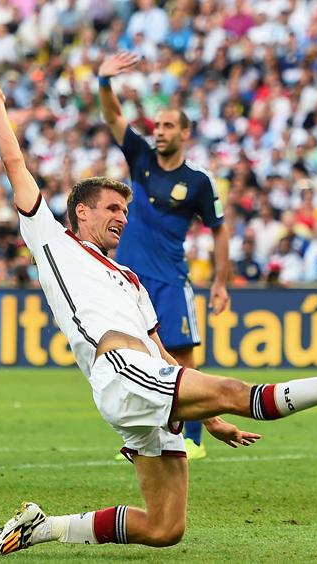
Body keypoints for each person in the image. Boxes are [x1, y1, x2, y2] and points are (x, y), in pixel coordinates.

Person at [0, 72, 317, 557]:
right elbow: (14, 161)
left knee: (165, 528)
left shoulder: (130, 278)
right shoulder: (51, 239)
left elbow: (165, 353)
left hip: (145, 375)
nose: (122, 218)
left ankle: (41, 528)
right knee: (235, 391)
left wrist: (209, 418)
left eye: (126, 211)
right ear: (80, 213)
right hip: (120, 372)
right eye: (111, 208)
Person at [97, 51, 230, 459]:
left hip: (171, 281)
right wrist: (104, 81)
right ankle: (150, 437)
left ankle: (194, 439)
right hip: (130, 279)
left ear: (185, 134)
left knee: (183, 360)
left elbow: (220, 230)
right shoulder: (141, 159)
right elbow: (115, 117)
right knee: (136, 359)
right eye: (157, 125)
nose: (159, 132)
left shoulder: (198, 181)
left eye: (168, 126)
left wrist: (221, 283)